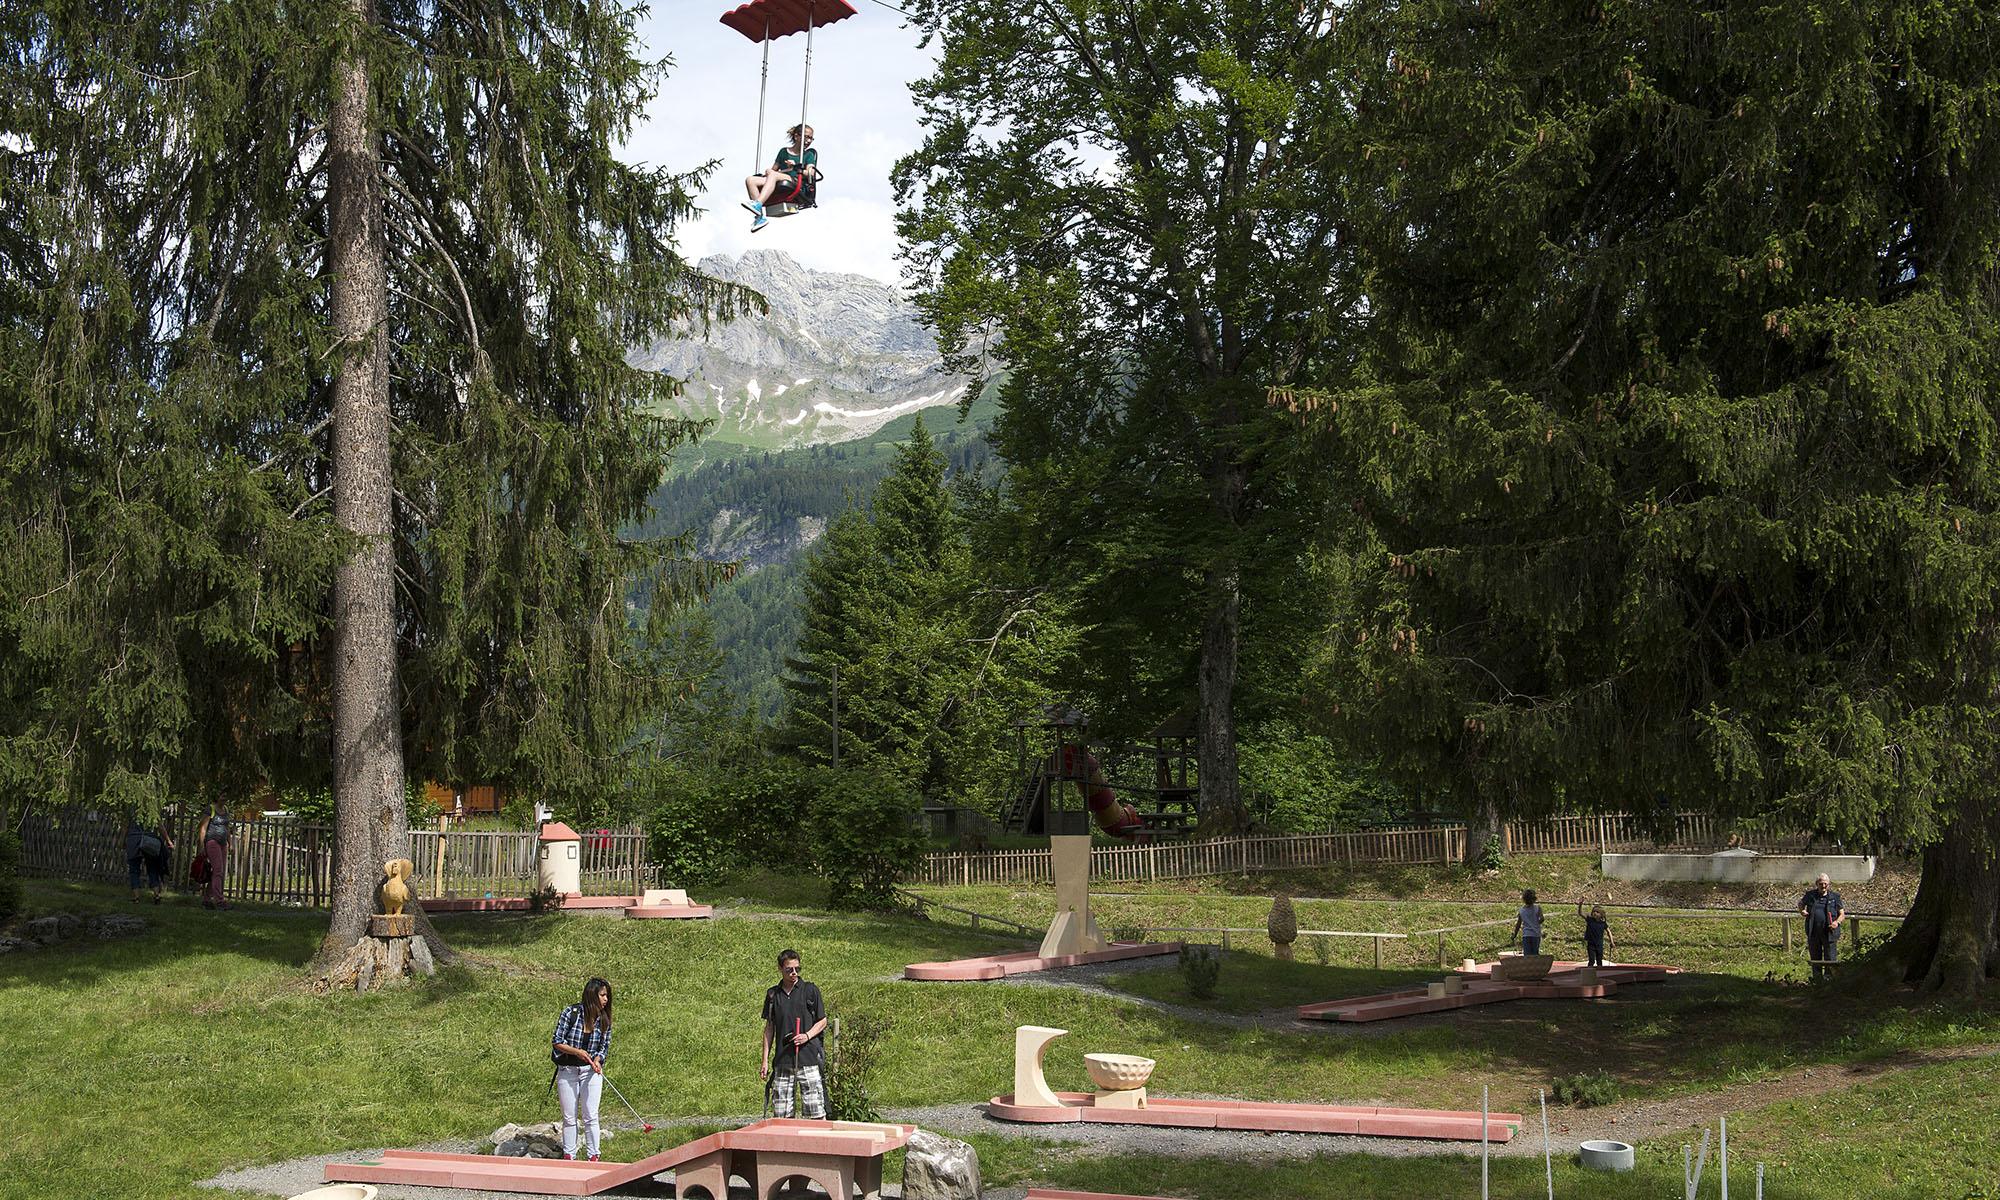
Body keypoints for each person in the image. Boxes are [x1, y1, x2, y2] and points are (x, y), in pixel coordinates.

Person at [760, 948, 828, 1119]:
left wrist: (807, 1035)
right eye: (789, 969)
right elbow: (769, 1028)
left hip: (808, 1058)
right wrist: (765, 1061)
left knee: (816, 1113)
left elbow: (822, 1021)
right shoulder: (773, 995)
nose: (794, 973)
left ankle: (817, 1144)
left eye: (797, 968)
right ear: (780, 969)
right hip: (783, 1060)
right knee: (781, 1115)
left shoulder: (810, 990)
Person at [551, 977, 613, 1162]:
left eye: (607, 996)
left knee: (590, 1115)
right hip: (568, 1070)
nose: (605, 1000)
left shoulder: (604, 1020)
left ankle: (594, 1155)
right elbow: (557, 1040)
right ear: (591, 995)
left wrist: (598, 1059)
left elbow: (604, 1047)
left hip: (590, 1072)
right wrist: (578, 1052)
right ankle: (569, 1155)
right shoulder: (571, 1013)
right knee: (569, 1117)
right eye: (602, 995)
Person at [742, 124, 819, 231]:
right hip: (780, 177)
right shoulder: (783, 152)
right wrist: (769, 173)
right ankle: (759, 218)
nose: (809, 140)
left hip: (797, 182)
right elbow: (774, 170)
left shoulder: (808, 154)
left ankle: (758, 203)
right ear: (797, 136)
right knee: (750, 180)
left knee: (772, 174)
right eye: (807, 137)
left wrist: (795, 167)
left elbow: (811, 174)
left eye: (811, 138)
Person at [1799, 872, 1844, 980]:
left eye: (1825, 884)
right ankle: (1817, 980)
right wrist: (1802, 911)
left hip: (1830, 933)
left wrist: (1836, 922)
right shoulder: (1810, 895)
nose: (1823, 886)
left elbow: (1842, 914)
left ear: (1828, 884)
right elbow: (1801, 904)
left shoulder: (1835, 897)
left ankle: (1830, 980)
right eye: (1821, 884)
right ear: (1816, 884)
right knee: (1815, 958)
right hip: (1814, 932)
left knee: (1830, 958)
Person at [124, 813, 173, 904]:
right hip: (149, 840)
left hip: (134, 840)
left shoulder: (130, 809)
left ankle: (136, 897)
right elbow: (160, 825)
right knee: (152, 868)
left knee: (134, 870)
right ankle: (156, 895)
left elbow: (125, 826)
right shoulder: (152, 808)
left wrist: (123, 840)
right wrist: (168, 840)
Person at [199, 805, 231, 909]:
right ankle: (219, 901)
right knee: (218, 870)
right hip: (212, 842)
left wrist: (230, 843)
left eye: (226, 795)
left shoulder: (225, 809)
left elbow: (227, 828)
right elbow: (203, 828)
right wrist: (202, 845)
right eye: (222, 795)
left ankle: (207, 900)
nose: (224, 797)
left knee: (218, 872)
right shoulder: (210, 809)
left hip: (223, 844)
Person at [1576, 900, 1613, 967]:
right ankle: (1589, 972)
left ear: (1601, 914)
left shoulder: (1603, 923)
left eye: (1597, 912)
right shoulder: (1590, 920)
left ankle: (1600, 973)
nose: (1595, 913)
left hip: (1599, 945)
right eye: (1593, 911)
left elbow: (1609, 932)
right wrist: (1580, 904)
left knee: (1599, 961)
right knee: (1592, 960)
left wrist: (1612, 942)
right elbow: (1580, 913)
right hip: (1591, 944)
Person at [1511, 889, 1544, 955]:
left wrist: (1515, 934)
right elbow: (1542, 919)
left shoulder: (1521, 910)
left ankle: (1528, 964)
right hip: (1536, 934)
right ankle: (1536, 964)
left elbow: (1518, 924)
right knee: (1535, 953)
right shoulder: (1538, 908)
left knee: (1527, 954)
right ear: (1534, 899)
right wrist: (1537, 923)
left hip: (1526, 934)